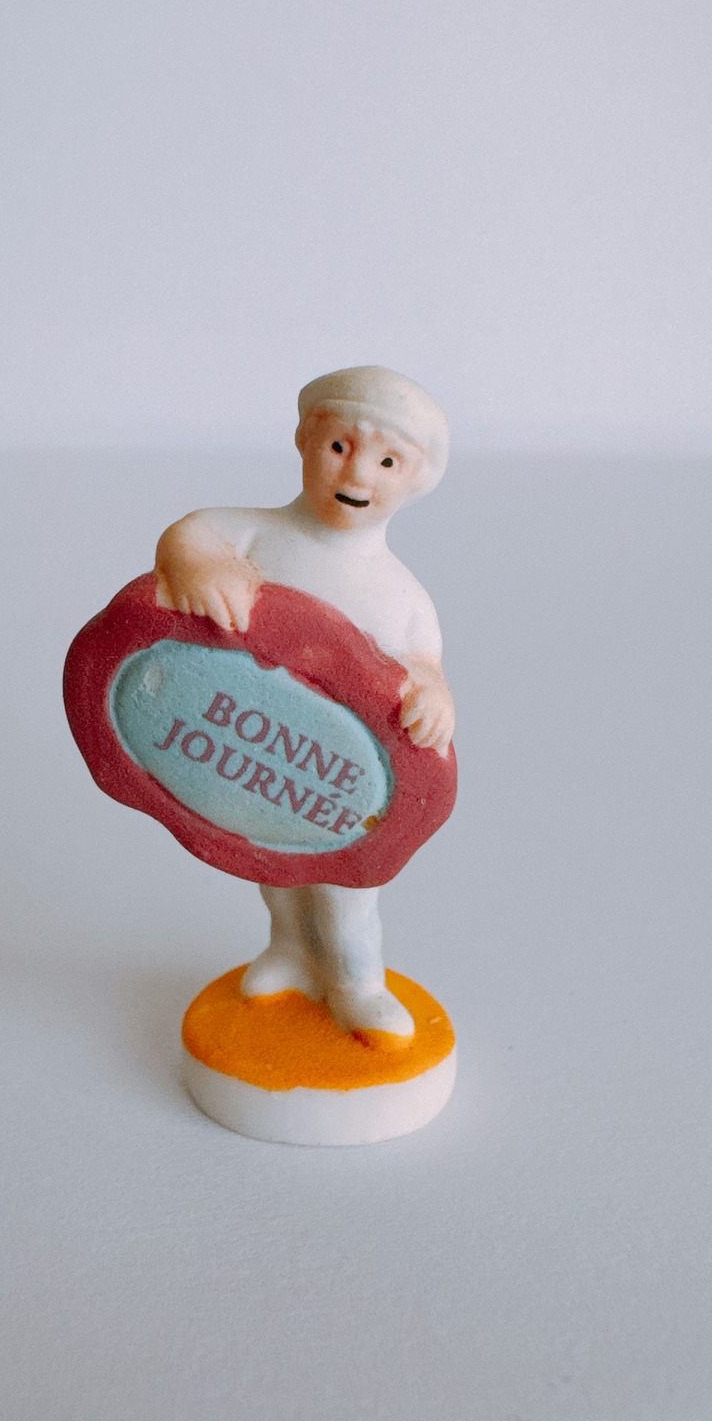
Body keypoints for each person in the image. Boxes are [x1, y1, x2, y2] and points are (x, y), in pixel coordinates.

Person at [153, 366, 454, 1041]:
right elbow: (186, 536)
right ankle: (289, 950)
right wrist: (200, 567)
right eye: (340, 446)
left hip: (345, 776)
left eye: (387, 461)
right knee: (276, 868)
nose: (358, 473)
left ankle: (357, 985)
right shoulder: (252, 535)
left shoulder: (401, 596)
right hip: (259, 748)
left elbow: (424, 667)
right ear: (305, 441)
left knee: (348, 891)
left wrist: (433, 697)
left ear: (415, 480)